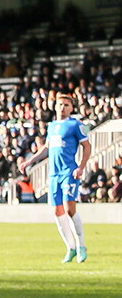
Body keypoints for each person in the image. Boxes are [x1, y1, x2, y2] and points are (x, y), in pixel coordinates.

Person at [21, 93, 92, 263]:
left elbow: (87, 147)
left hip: (69, 171)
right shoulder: (52, 126)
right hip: (54, 174)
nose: (63, 107)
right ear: (55, 106)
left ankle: (81, 246)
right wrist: (29, 161)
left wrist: (81, 167)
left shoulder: (75, 125)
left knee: (69, 208)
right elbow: (47, 147)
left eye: (67, 105)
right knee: (56, 211)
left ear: (71, 108)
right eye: (60, 104)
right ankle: (71, 248)